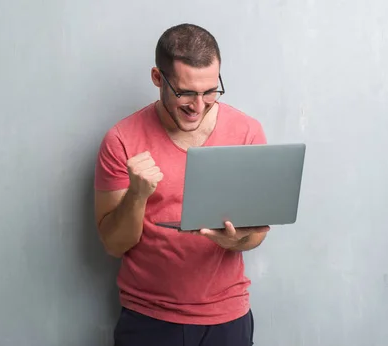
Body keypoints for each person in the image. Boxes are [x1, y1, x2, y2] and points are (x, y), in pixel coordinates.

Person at [93, 23, 271, 346]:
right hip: (149, 319)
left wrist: (235, 242)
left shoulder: (247, 133)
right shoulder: (121, 140)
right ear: (158, 79)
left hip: (228, 318)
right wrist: (137, 195)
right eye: (186, 92)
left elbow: (257, 231)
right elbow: (113, 245)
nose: (199, 105)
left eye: (209, 91)